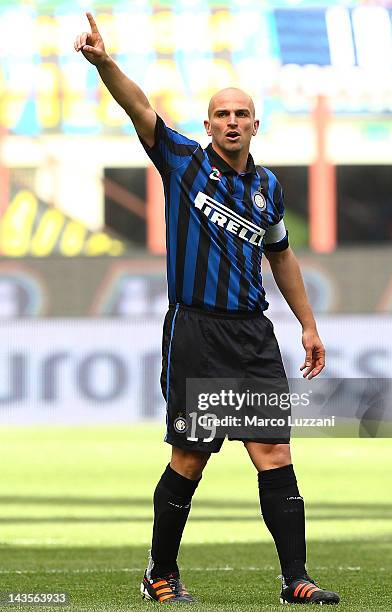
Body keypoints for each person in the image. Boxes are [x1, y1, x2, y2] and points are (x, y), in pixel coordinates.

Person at [75, 12, 340, 606]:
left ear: (255, 124)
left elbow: (282, 256)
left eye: (241, 113)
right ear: (209, 124)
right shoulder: (184, 163)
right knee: (191, 456)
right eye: (222, 113)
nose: (232, 121)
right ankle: (159, 574)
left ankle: (295, 578)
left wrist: (309, 325)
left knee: (274, 453)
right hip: (197, 330)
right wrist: (105, 63)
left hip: (254, 336)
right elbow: (140, 109)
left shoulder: (268, 187)